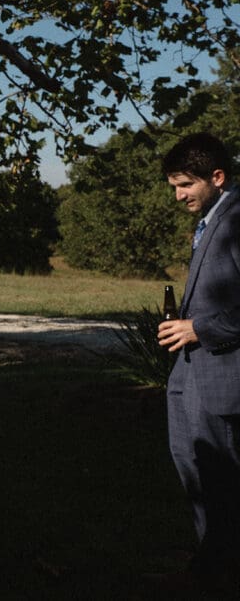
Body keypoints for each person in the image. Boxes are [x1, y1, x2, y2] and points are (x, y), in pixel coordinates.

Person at [157, 132, 240, 594]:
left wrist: (198, 329)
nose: (179, 195)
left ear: (218, 177)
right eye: (173, 186)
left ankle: (221, 576)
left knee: (220, 481)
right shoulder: (210, 218)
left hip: (221, 373)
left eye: (185, 184)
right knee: (193, 468)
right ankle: (209, 568)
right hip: (190, 371)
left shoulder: (237, 219)